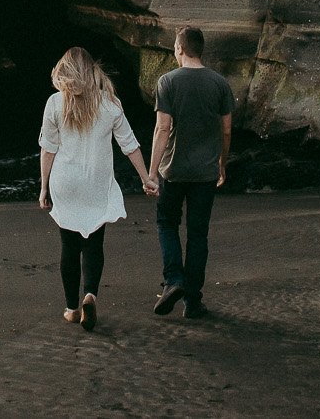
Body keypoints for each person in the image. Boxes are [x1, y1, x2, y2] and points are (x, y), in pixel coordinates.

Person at [38, 47, 158, 330]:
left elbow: (48, 150)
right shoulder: (110, 104)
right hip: (96, 183)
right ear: (92, 71)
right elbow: (130, 145)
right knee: (93, 242)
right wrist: (146, 179)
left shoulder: (55, 104)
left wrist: (43, 188)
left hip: (65, 183)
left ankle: (71, 308)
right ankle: (90, 294)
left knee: (69, 245)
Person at [148, 25, 234, 319]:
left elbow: (162, 128)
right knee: (198, 234)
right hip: (205, 174)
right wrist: (222, 162)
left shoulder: (167, 82)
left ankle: (174, 281)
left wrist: (152, 172)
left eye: (175, 46)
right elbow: (226, 131)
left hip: (173, 170)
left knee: (167, 224)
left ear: (180, 49)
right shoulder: (220, 83)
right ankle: (193, 302)